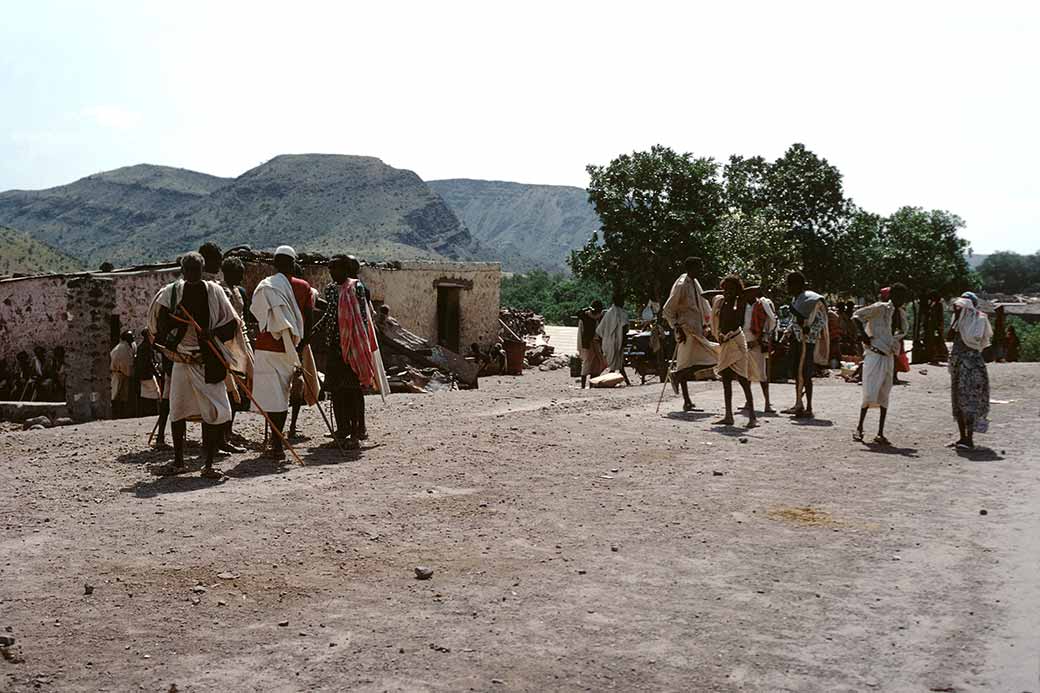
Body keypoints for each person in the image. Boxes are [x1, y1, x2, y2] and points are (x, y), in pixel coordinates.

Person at [153, 251, 241, 478]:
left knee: (213, 412)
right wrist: (176, 320)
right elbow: (160, 326)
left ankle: (209, 464)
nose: (192, 274)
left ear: (202, 270)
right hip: (182, 360)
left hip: (208, 361)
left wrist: (212, 334)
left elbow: (231, 325)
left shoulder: (215, 292)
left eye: (196, 270)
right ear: (183, 271)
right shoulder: (171, 293)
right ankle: (179, 461)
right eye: (188, 270)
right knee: (177, 410)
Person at [250, 246, 314, 459]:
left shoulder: (265, 286)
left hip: (266, 347)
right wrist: (299, 346)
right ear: (293, 264)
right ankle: (276, 442)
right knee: (283, 396)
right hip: (289, 349)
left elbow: (256, 316)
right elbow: (309, 321)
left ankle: (276, 444)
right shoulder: (304, 287)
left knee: (271, 395)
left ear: (275, 264)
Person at [308, 254, 377, 448]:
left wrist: (360, 345)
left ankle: (356, 432)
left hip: (353, 346)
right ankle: (342, 429)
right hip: (335, 347)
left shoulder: (357, 289)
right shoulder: (330, 290)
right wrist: (312, 332)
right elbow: (331, 315)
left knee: (353, 390)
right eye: (329, 269)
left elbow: (362, 319)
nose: (331, 272)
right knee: (337, 390)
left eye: (334, 269)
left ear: (345, 270)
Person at [852, 283, 909, 444]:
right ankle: (859, 428)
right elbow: (856, 316)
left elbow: (899, 333)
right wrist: (863, 334)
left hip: (888, 356)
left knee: (884, 394)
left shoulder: (901, 314)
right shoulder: (880, 308)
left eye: (903, 297)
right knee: (869, 393)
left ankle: (880, 433)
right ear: (892, 296)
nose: (901, 300)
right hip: (874, 355)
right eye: (898, 296)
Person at [662, 257, 717, 411]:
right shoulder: (681, 284)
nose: (701, 270)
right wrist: (677, 327)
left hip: (697, 328)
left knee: (708, 359)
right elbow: (668, 309)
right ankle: (686, 399)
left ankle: (677, 375)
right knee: (687, 362)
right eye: (699, 267)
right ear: (691, 268)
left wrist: (708, 325)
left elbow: (704, 305)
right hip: (686, 329)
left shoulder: (694, 282)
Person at [948, 292, 992, 449]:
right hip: (958, 365)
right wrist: (957, 318)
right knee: (958, 401)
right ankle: (962, 437)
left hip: (972, 366)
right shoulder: (959, 320)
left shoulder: (979, 319)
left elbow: (975, 340)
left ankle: (970, 438)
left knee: (971, 400)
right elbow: (949, 336)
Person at [217, 255, 253, 453]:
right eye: (237, 274)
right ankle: (222, 433)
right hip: (227, 344)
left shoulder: (239, 292)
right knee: (229, 389)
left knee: (241, 387)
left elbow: (245, 317)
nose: (240, 277)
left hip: (242, 342)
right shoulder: (220, 291)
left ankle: (229, 430)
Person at [711, 276, 757, 427]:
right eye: (725, 289)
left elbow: (739, 322)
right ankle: (728, 415)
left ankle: (752, 417)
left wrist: (738, 294)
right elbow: (705, 294)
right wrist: (722, 336)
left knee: (743, 379)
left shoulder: (740, 302)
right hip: (724, 342)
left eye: (731, 289)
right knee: (726, 379)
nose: (727, 292)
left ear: (737, 290)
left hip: (736, 340)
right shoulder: (722, 302)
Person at [783, 272, 829, 419]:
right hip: (796, 340)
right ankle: (798, 404)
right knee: (797, 374)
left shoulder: (813, 299)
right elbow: (794, 320)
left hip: (807, 342)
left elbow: (821, 321)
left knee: (806, 374)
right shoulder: (796, 299)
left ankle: (809, 407)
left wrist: (809, 330)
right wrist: (787, 332)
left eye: (790, 285)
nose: (788, 288)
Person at [743, 285, 776, 413]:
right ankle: (748, 401)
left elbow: (769, 324)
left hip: (757, 342)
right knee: (746, 374)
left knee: (762, 374)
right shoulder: (742, 305)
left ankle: (767, 403)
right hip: (743, 341)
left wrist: (757, 340)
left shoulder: (762, 305)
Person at [595, 290, 631, 386]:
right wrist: (623, 340)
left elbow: (599, 330)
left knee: (618, 364)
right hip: (616, 341)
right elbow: (624, 328)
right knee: (615, 365)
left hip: (607, 342)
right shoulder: (621, 314)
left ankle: (626, 381)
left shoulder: (608, 314)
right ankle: (603, 382)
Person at [576, 300, 606, 388]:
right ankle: (583, 385)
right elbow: (578, 313)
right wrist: (587, 308)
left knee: (596, 363)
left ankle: (592, 384)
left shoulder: (600, 317)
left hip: (596, 342)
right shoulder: (585, 316)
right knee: (587, 362)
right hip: (588, 343)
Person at [135, 328, 161, 416]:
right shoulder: (147, 347)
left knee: (146, 394)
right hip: (148, 374)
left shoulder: (141, 347)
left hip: (142, 375)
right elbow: (149, 362)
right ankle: (152, 412)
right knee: (154, 393)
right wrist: (158, 373)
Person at [110, 330, 135, 418]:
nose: (132, 338)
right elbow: (117, 360)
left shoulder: (128, 347)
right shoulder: (120, 348)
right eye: (130, 336)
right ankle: (114, 413)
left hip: (125, 373)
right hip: (118, 373)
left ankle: (122, 414)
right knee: (115, 393)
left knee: (124, 395)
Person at [922, 292, 949, 364]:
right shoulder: (931, 305)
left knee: (937, 340)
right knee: (931, 341)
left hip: (936, 327)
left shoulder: (938, 305)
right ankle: (932, 357)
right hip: (931, 327)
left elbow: (939, 317)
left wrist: (939, 327)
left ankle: (937, 357)